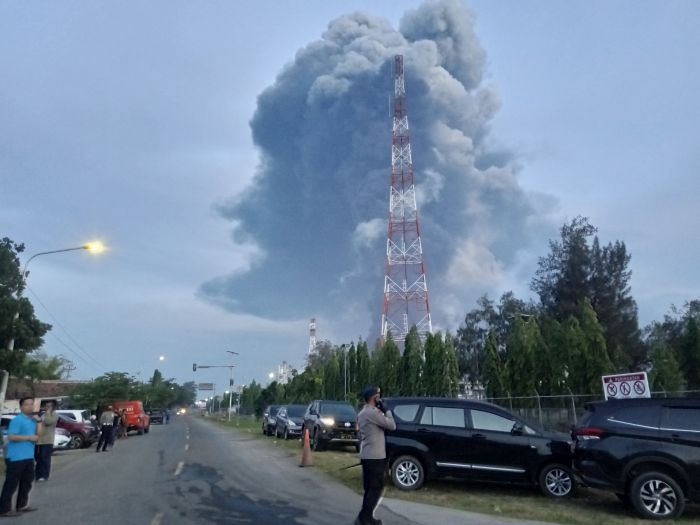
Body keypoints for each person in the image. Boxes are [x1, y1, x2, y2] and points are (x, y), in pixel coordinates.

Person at [355, 386, 396, 525]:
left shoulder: (362, 413)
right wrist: (387, 411)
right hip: (375, 457)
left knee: (369, 488)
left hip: (367, 454)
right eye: (378, 396)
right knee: (376, 488)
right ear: (374, 398)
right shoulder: (372, 413)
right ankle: (364, 518)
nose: (380, 398)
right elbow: (391, 425)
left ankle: (365, 517)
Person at [0, 397, 40, 516]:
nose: (30, 407)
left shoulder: (32, 421)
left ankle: (22, 505)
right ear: (21, 407)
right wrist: (28, 438)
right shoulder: (17, 420)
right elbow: (11, 437)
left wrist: (38, 422)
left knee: (27, 482)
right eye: (27, 404)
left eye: (32, 404)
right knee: (11, 484)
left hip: (28, 456)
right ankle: (4, 509)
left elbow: (38, 435)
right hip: (16, 457)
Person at [35, 401, 57, 481]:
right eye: (46, 406)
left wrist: (47, 413)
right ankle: (37, 475)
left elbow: (48, 422)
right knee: (38, 457)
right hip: (39, 440)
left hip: (47, 440)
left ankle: (44, 475)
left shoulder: (54, 415)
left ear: (52, 407)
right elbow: (39, 424)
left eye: (48, 406)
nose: (46, 407)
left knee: (45, 458)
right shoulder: (43, 415)